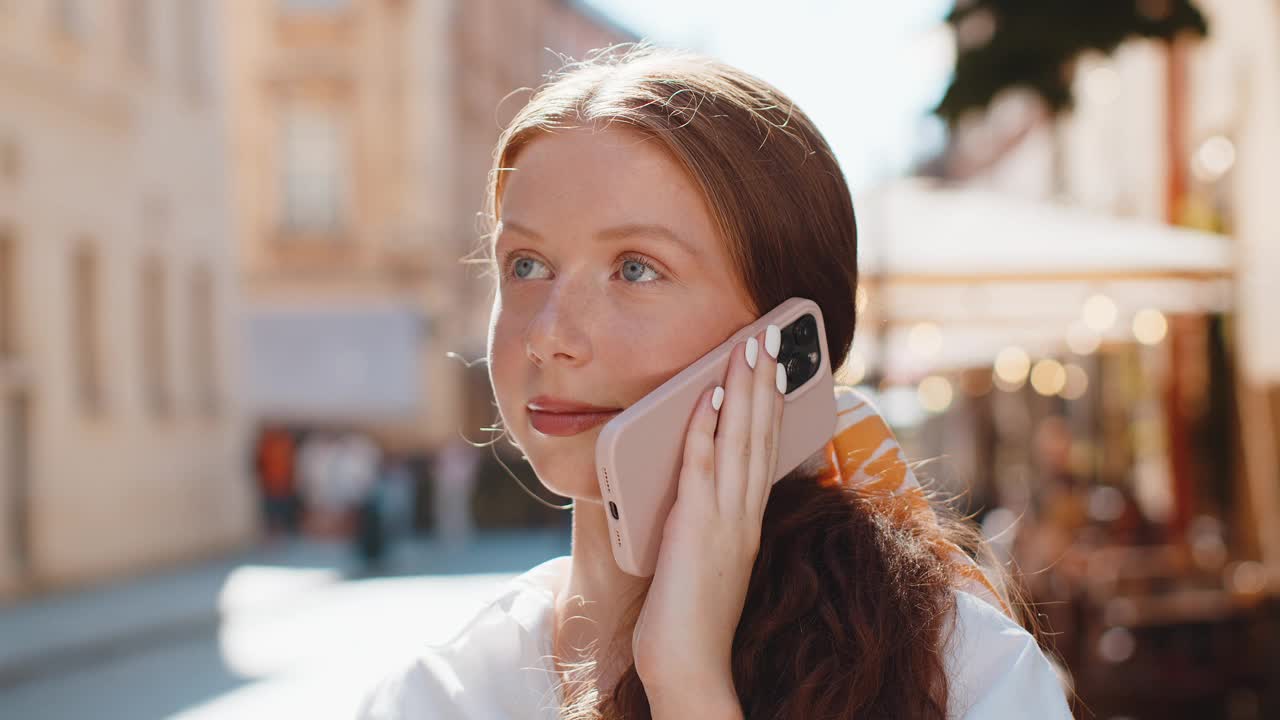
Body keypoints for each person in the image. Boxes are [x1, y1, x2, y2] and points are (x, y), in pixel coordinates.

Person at [359, 44, 1072, 719]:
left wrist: (687, 684)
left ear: (790, 344)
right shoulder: (437, 695)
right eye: (525, 265)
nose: (547, 334)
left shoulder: (960, 671)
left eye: (636, 268)